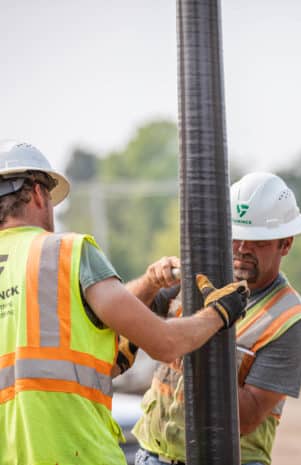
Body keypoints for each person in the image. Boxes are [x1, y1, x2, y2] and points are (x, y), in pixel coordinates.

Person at [0, 140, 249, 465]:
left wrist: (148, 283)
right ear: (37, 193)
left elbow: (68, 331)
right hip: (80, 454)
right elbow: (165, 342)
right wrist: (220, 312)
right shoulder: (66, 252)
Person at [130, 172, 301, 465]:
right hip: (153, 455)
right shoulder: (193, 278)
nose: (243, 248)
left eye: (258, 241)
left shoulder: (290, 322)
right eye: (236, 236)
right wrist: (150, 281)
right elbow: (122, 313)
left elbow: (244, 418)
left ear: (286, 244)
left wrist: (206, 326)